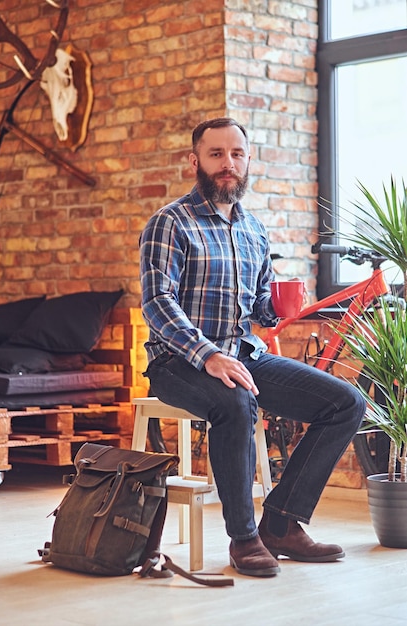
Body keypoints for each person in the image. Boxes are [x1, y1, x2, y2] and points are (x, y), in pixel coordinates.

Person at [139, 117, 366, 578]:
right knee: (236, 404)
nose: (228, 164)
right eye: (216, 154)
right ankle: (243, 539)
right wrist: (209, 355)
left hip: (245, 356)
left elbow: (259, 306)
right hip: (178, 361)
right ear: (195, 161)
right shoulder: (169, 223)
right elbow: (157, 302)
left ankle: (281, 524)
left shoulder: (253, 230)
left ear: (247, 161)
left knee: (346, 402)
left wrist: (278, 309)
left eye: (236, 154)